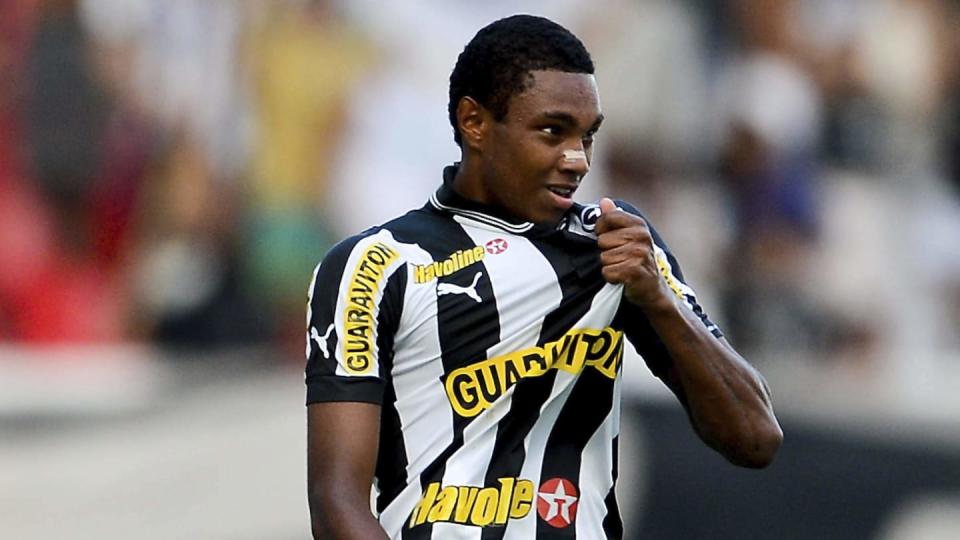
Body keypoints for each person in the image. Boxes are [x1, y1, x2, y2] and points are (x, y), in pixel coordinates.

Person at [305, 14, 782, 540]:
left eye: (588, 135)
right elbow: (337, 503)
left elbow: (755, 438)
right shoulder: (376, 264)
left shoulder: (617, 245)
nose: (577, 160)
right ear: (475, 123)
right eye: (553, 131)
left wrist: (658, 299)